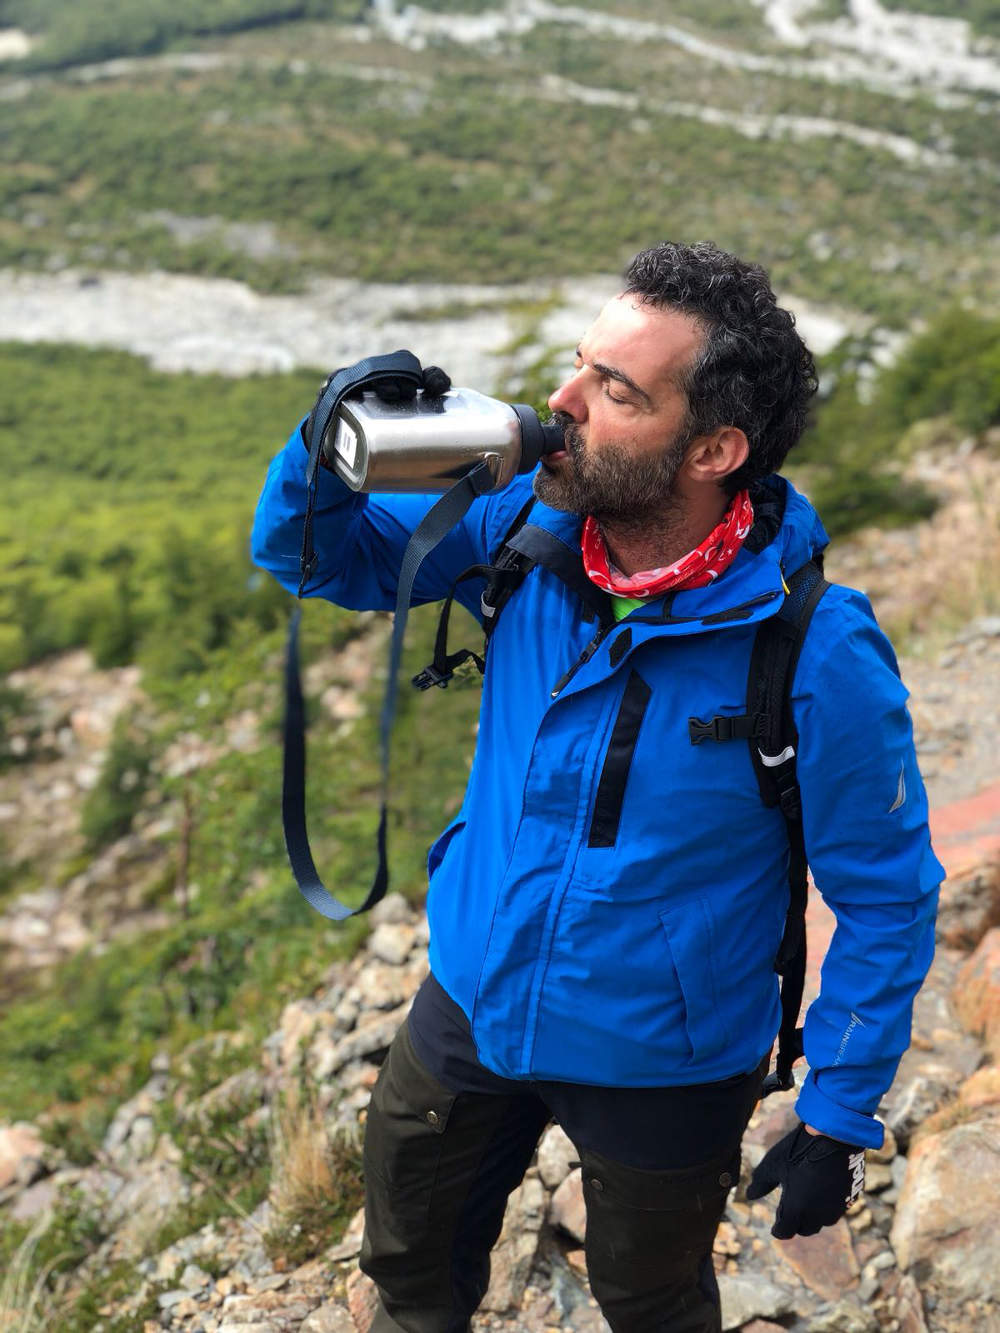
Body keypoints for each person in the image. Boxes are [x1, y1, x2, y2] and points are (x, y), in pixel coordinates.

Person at [251, 241, 943, 1333]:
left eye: (613, 390)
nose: (558, 403)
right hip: (474, 996)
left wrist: (840, 1110)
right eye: (577, 366)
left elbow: (887, 889)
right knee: (409, 1273)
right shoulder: (521, 534)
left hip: (666, 1053)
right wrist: (320, 445)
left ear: (714, 447)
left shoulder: (814, 646)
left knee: (651, 1297)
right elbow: (308, 558)